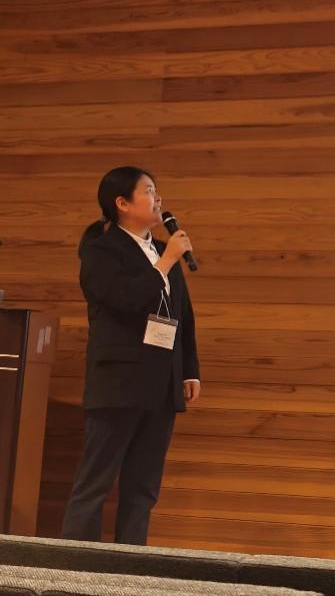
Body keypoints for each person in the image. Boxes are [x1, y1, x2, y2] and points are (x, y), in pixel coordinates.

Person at [60, 166, 201, 545]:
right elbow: (125, 299)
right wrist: (166, 262)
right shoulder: (102, 251)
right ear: (122, 203)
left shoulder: (162, 249)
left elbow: (183, 314)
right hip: (119, 383)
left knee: (143, 488)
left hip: (161, 383)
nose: (158, 199)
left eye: (157, 191)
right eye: (149, 191)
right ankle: (74, 567)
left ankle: (130, 566)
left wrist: (189, 370)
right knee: (95, 483)